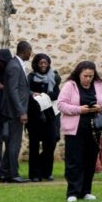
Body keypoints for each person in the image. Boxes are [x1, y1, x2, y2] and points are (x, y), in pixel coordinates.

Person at [58, 58, 102, 202]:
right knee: (74, 161)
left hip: (94, 128)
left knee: (90, 159)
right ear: (79, 74)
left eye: (90, 76)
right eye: (85, 76)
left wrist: (101, 107)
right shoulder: (70, 85)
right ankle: (73, 192)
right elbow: (61, 105)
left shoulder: (98, 85)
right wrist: (79, 110)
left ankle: (86, 190)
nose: (88, 79)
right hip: (75, 128)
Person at [0, 38, 30, 183]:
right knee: (14, 143)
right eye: (29, 52)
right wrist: (21, 112)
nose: (30, 54)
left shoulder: (16, 65)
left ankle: (4, 173)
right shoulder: (14, 66)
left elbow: (20, 89)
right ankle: (13, 174)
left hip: (16, 111)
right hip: (14, 112)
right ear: (25, 51)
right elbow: (12, 91)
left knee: (14, 142)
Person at [26, 50, 60, 182]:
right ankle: (34, 174)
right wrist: (32, 94)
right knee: (34, 145)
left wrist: (42, 95)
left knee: (50, 143)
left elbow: (56, 94)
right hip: (35, 115)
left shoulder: (54, 77)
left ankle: (46, 172)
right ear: (36, 64)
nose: (43, 65)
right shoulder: (30, 77)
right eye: (41, 63)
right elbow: (26, 91)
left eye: (46, 63)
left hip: (50, 115)